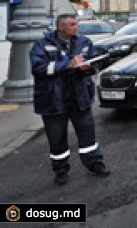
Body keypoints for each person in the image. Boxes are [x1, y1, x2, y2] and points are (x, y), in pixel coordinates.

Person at [29, 13, 110, 185]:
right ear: (60, 27)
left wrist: (88, 67)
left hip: (79, 97)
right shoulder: (41, 45)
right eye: (72, 24)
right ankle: (60, 171)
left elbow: (94, 63)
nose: (76, 26)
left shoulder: (84, 42)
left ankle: (95, 163)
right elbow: (38, 68)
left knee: (87, 132)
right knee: (56, 137)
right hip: (53, 100)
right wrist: (67, 65)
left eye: (76, 23)